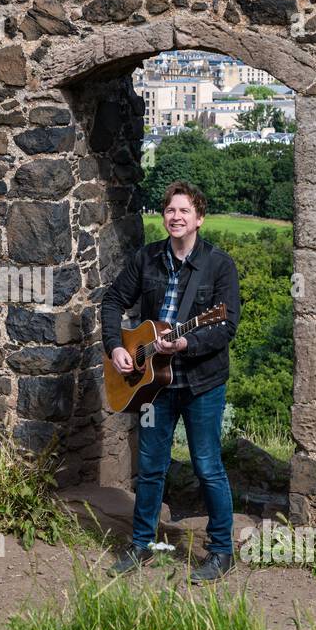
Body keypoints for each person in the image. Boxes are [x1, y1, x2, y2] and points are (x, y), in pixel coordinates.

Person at [100, 181, 243, 584]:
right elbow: (112, 301)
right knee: (149, 467)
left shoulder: (219, 266)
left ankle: (220, 552)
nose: (176, 217)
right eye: (169, 210)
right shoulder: (147, 260)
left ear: (199, 218)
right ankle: (141, 544)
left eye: (184, 211)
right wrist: (116, 347)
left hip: (201, 383)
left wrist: (186, 342)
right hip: (152, 384)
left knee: (207, 465)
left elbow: (226, 326)